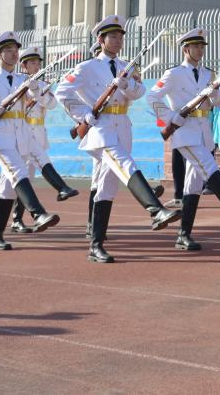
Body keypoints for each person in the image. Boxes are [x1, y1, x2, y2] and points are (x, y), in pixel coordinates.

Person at [55, 16, 178, 263]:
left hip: (122, 126)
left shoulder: (126, 66)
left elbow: (140, 91)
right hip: (101, 129)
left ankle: (96, 245)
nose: (118, 40)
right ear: (101, 40)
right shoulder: (87, 67)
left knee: (106, 187)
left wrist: (126, 84)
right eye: (113, 36)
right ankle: (155, 209)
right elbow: (62, 92)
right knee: (126, 165)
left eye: (121, 36)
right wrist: (84, 114)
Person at [150, 28, 220, 253]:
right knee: (209, 166)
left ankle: (184, 235)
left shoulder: (209, 74)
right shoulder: (174, 73)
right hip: (184, 132)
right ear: (185, 49)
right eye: (196, 46)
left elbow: (217, 101)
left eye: (202, 46)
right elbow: (152, 97)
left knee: (194, 185)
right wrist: (170, 117)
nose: (200, 50)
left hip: (204, 131)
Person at [0, 32, 61, 251]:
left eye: (16, 50)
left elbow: (50, 104)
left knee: (8, 189)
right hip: (0, 137)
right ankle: (38, 213)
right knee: (19, 173)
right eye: (8, 50)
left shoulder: (23, 80)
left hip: (22, 137)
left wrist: (37, 90)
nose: (14, 53)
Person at [9, 47, 79, 234]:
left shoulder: (42, 84)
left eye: (38, 62)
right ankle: (17, 218)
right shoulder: (17, 83)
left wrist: (38, 94)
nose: (36, 65)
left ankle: (19, 218)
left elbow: (52, 104)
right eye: (32, 63)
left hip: (38, 133)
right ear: (23, 66)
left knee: (28, 178)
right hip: (21, 132)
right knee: (19, 178)